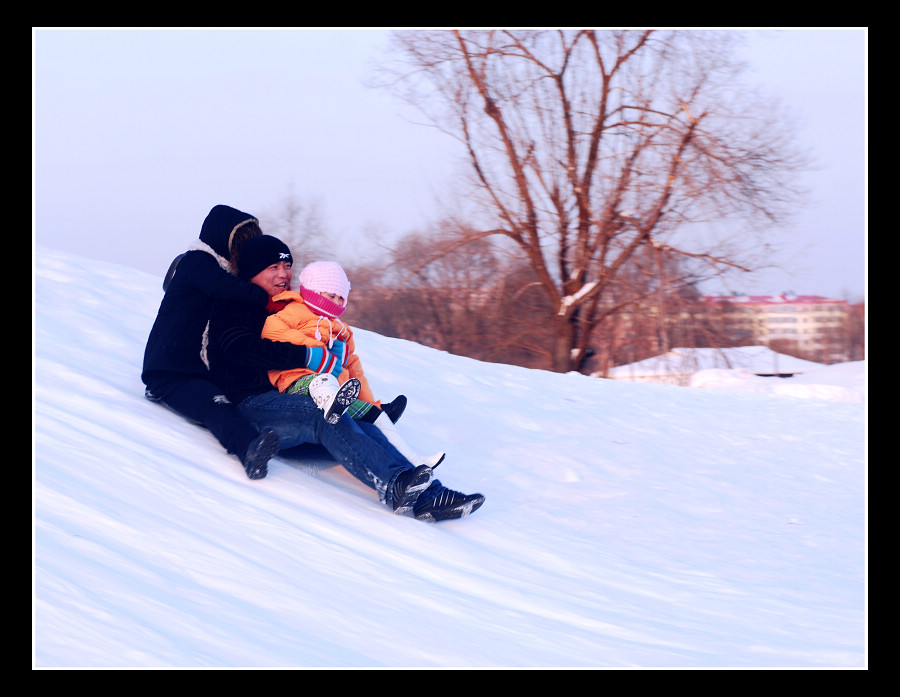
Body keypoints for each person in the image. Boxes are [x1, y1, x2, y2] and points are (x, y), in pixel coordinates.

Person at [205, 234, 485, 522]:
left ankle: (431, 495)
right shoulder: (236, 303)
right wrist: (311, 355)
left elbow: (346, 365)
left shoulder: (284, 307)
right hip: (255, 405)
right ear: (252, 271)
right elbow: (241, 349)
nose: (284, 274)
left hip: (292, 400)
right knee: (324, 414)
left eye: (287, 266)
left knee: (357, 419)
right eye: (273, 267)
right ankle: (394, 485)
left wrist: (370, 405)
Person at [142, 204, 316, 480]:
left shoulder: (223, 274)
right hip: (170, 369)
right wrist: (266, 297)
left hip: (197, 368)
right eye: (243, 244)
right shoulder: (197, 262)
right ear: (225, 241)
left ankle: (357, 416)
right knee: (216, 405)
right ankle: (249, 448)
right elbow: (221, 287)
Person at [261, 259, 445, 469]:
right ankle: (332, 406)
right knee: (323, 379)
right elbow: (271, 330)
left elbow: (355, 372)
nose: (337, 303)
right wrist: (318, 351)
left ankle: (413, 460)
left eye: (341, 298)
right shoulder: (295, 311)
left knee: (378, 417)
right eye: (331, 296)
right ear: (313, 291)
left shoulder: (340, 330)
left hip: (335, 392)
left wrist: (371, 404)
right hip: (295, 384)